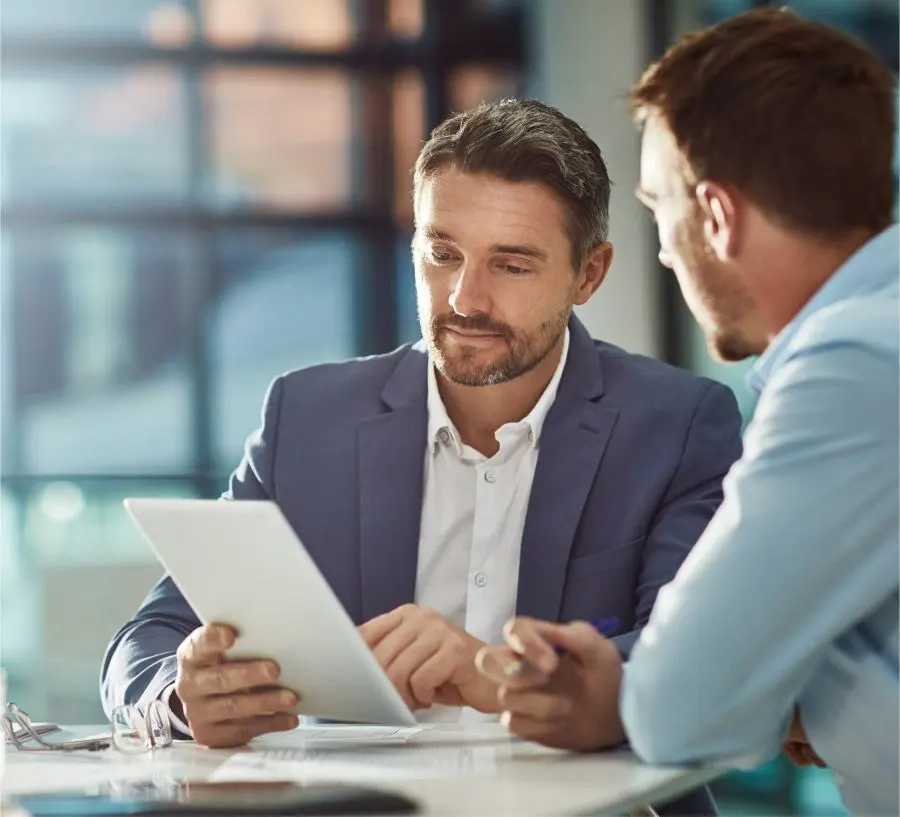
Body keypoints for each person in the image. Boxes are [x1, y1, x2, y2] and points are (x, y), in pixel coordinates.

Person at [101, 100, 740, 780]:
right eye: (442, 254)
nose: (465, 297)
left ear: (589, 273)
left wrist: (491, 674)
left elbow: (694, 662)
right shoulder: (308, 417)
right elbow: (146, 642)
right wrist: (181, 694)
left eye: (512, 265)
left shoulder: (677, 423)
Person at [475, 9, 898, 816]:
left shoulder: (850, 367)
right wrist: (801, 696)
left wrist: (630, 693)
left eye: (658, 208)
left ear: (716, 215)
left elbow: (682, 706)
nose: (664, 250)